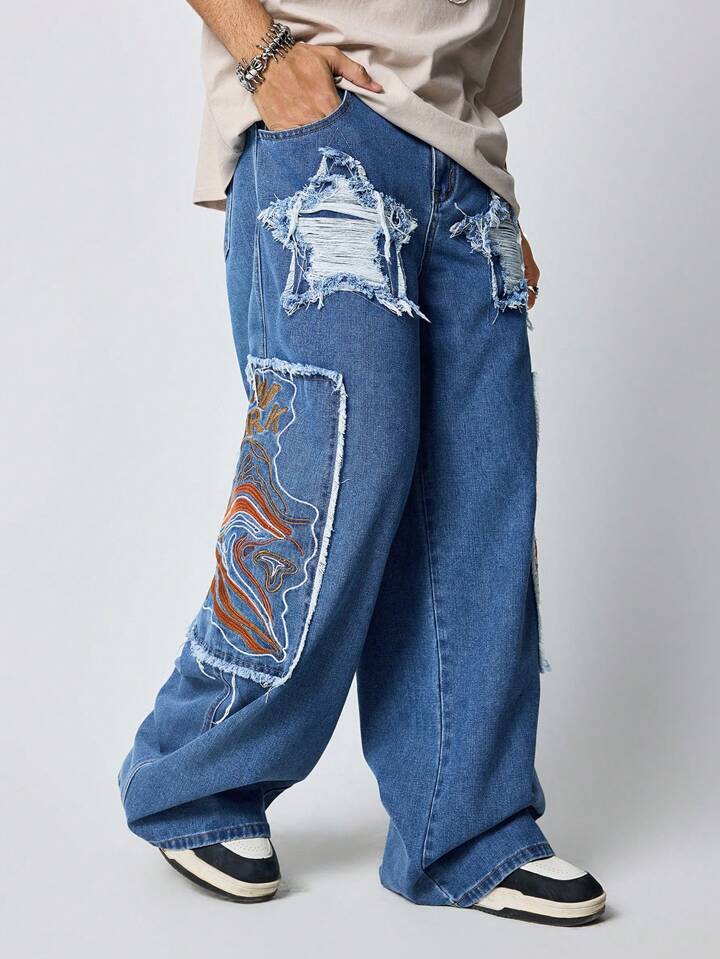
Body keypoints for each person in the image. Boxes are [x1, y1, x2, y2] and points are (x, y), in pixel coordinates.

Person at [119, 0, 606, 925]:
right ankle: (192, 775)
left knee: (482, 498)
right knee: (333, 470)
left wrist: (481, 179)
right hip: (326, 123)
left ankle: (467, 826)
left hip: (466, 170)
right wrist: (265, 58)